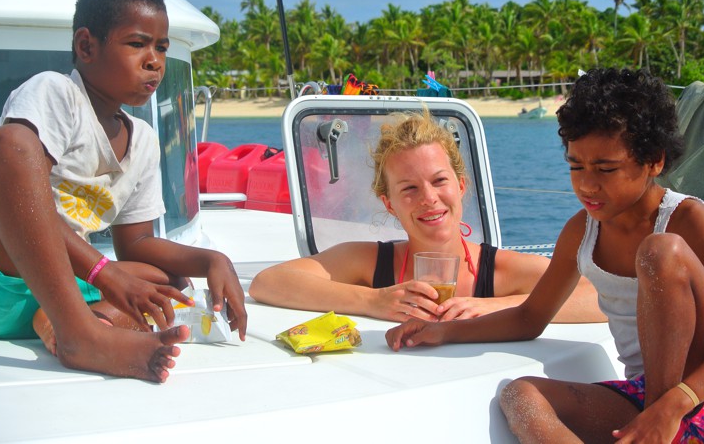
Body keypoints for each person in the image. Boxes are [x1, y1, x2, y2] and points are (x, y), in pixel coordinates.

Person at [386, 68, 704, 442]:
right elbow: (530, 317)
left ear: (654, 161)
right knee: (520, 397)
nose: (587, 184)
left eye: (605, 169)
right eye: (576, 166)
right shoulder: (582, 232)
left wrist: (673, 405)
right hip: (646, 398)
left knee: (659, 251)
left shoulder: (687, 219)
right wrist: (444, 331)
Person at [0, 0, 247, 383]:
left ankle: (80, 322)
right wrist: (105, 273)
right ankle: (82, 337)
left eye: (162, 47)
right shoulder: (55, 94)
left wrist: (213, 260)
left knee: (171, 282)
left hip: (60, 293)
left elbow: (136, 244)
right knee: (9, 145)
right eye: (137, 44)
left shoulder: (144, 141)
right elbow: (20, 196)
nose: (154, 60)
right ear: (86, 46)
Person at [249, 107, 604, 324]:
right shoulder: (370, 262)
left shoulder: (499, 271)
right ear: (389, 204)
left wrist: (496, 307)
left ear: (460, 185)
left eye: (439, 181)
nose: (429, 199)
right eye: (409, 188)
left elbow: (600, 298)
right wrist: (374, 301)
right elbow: (269, 282)